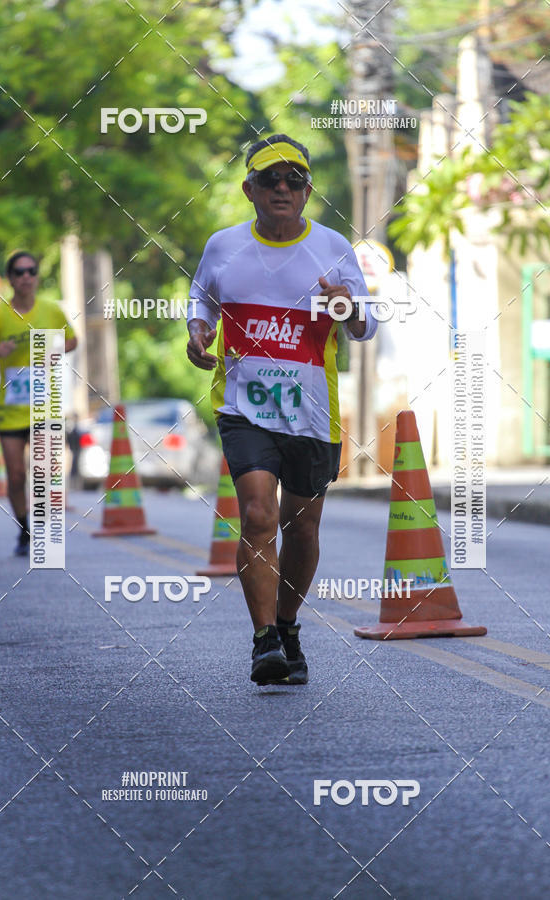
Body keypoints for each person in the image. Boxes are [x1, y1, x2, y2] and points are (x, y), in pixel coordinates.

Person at [186, 134, 378, 685]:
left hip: (313, 412)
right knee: (257, 515)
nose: (282, 187)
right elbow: (201, 299)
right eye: (270, 178)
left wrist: (345, 305)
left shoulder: (334, 247)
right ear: (249, 188)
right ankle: (264, 640)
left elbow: (364, 325)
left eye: (294, 179)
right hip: (243, 407)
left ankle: (289, 625)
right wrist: (197, 333)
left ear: (308, 190)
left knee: (304, 527)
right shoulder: (223, 246)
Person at [0, 251, 77, 556]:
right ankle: (24, 528)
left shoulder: (51, 310)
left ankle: (45, 526)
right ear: (10, 278)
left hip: (43, 406)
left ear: (37, 275)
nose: (26, 277)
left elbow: (73, 340)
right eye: (19, 272)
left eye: (31, 271)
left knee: (44, 471)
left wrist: (56, 349)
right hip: (10, 410)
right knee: (16, 474)